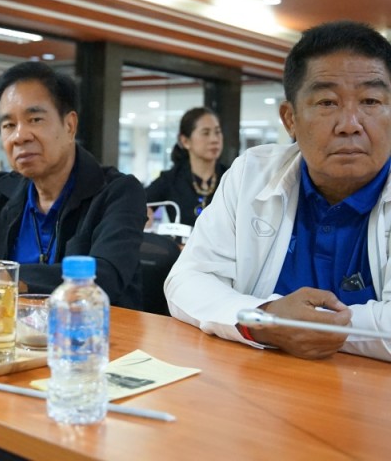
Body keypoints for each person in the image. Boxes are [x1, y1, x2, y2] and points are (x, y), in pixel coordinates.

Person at [165, 20, 391, 362]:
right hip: (259, 382)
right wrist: (266, 318)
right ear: (290, 119)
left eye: (370, 101)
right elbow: (188, 279)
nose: (350, 124)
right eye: (327, 102)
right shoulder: (252, 173)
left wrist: (292, 325)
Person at [0, 61, 147, 309]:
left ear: (69, 126)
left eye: (35, 119)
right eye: (9, 125)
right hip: (3, 327)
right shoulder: (0, 191)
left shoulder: (118, 192)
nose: (19, 136)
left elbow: (104, 278)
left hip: (90, 329)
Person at [145, 107, 226, 227]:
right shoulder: (171, 179)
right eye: (205, 133)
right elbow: (138, 204)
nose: (214, 139)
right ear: (185, 141)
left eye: (217, 132)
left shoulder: (230, 177)